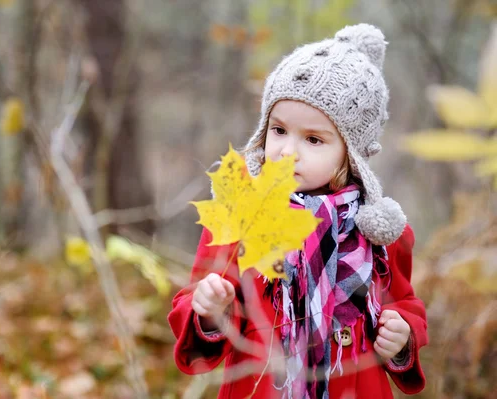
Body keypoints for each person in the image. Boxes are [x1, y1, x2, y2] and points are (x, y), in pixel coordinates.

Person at [168, 23, 428, 399]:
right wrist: (210, 311)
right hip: (261, 384)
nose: (287, 151)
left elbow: (404, 303)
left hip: (354, 383)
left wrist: (402, 335)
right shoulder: (243, 214)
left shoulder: (379, 235)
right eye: (278, 130)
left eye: (313, 139)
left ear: (350, 153)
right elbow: (197, 302)